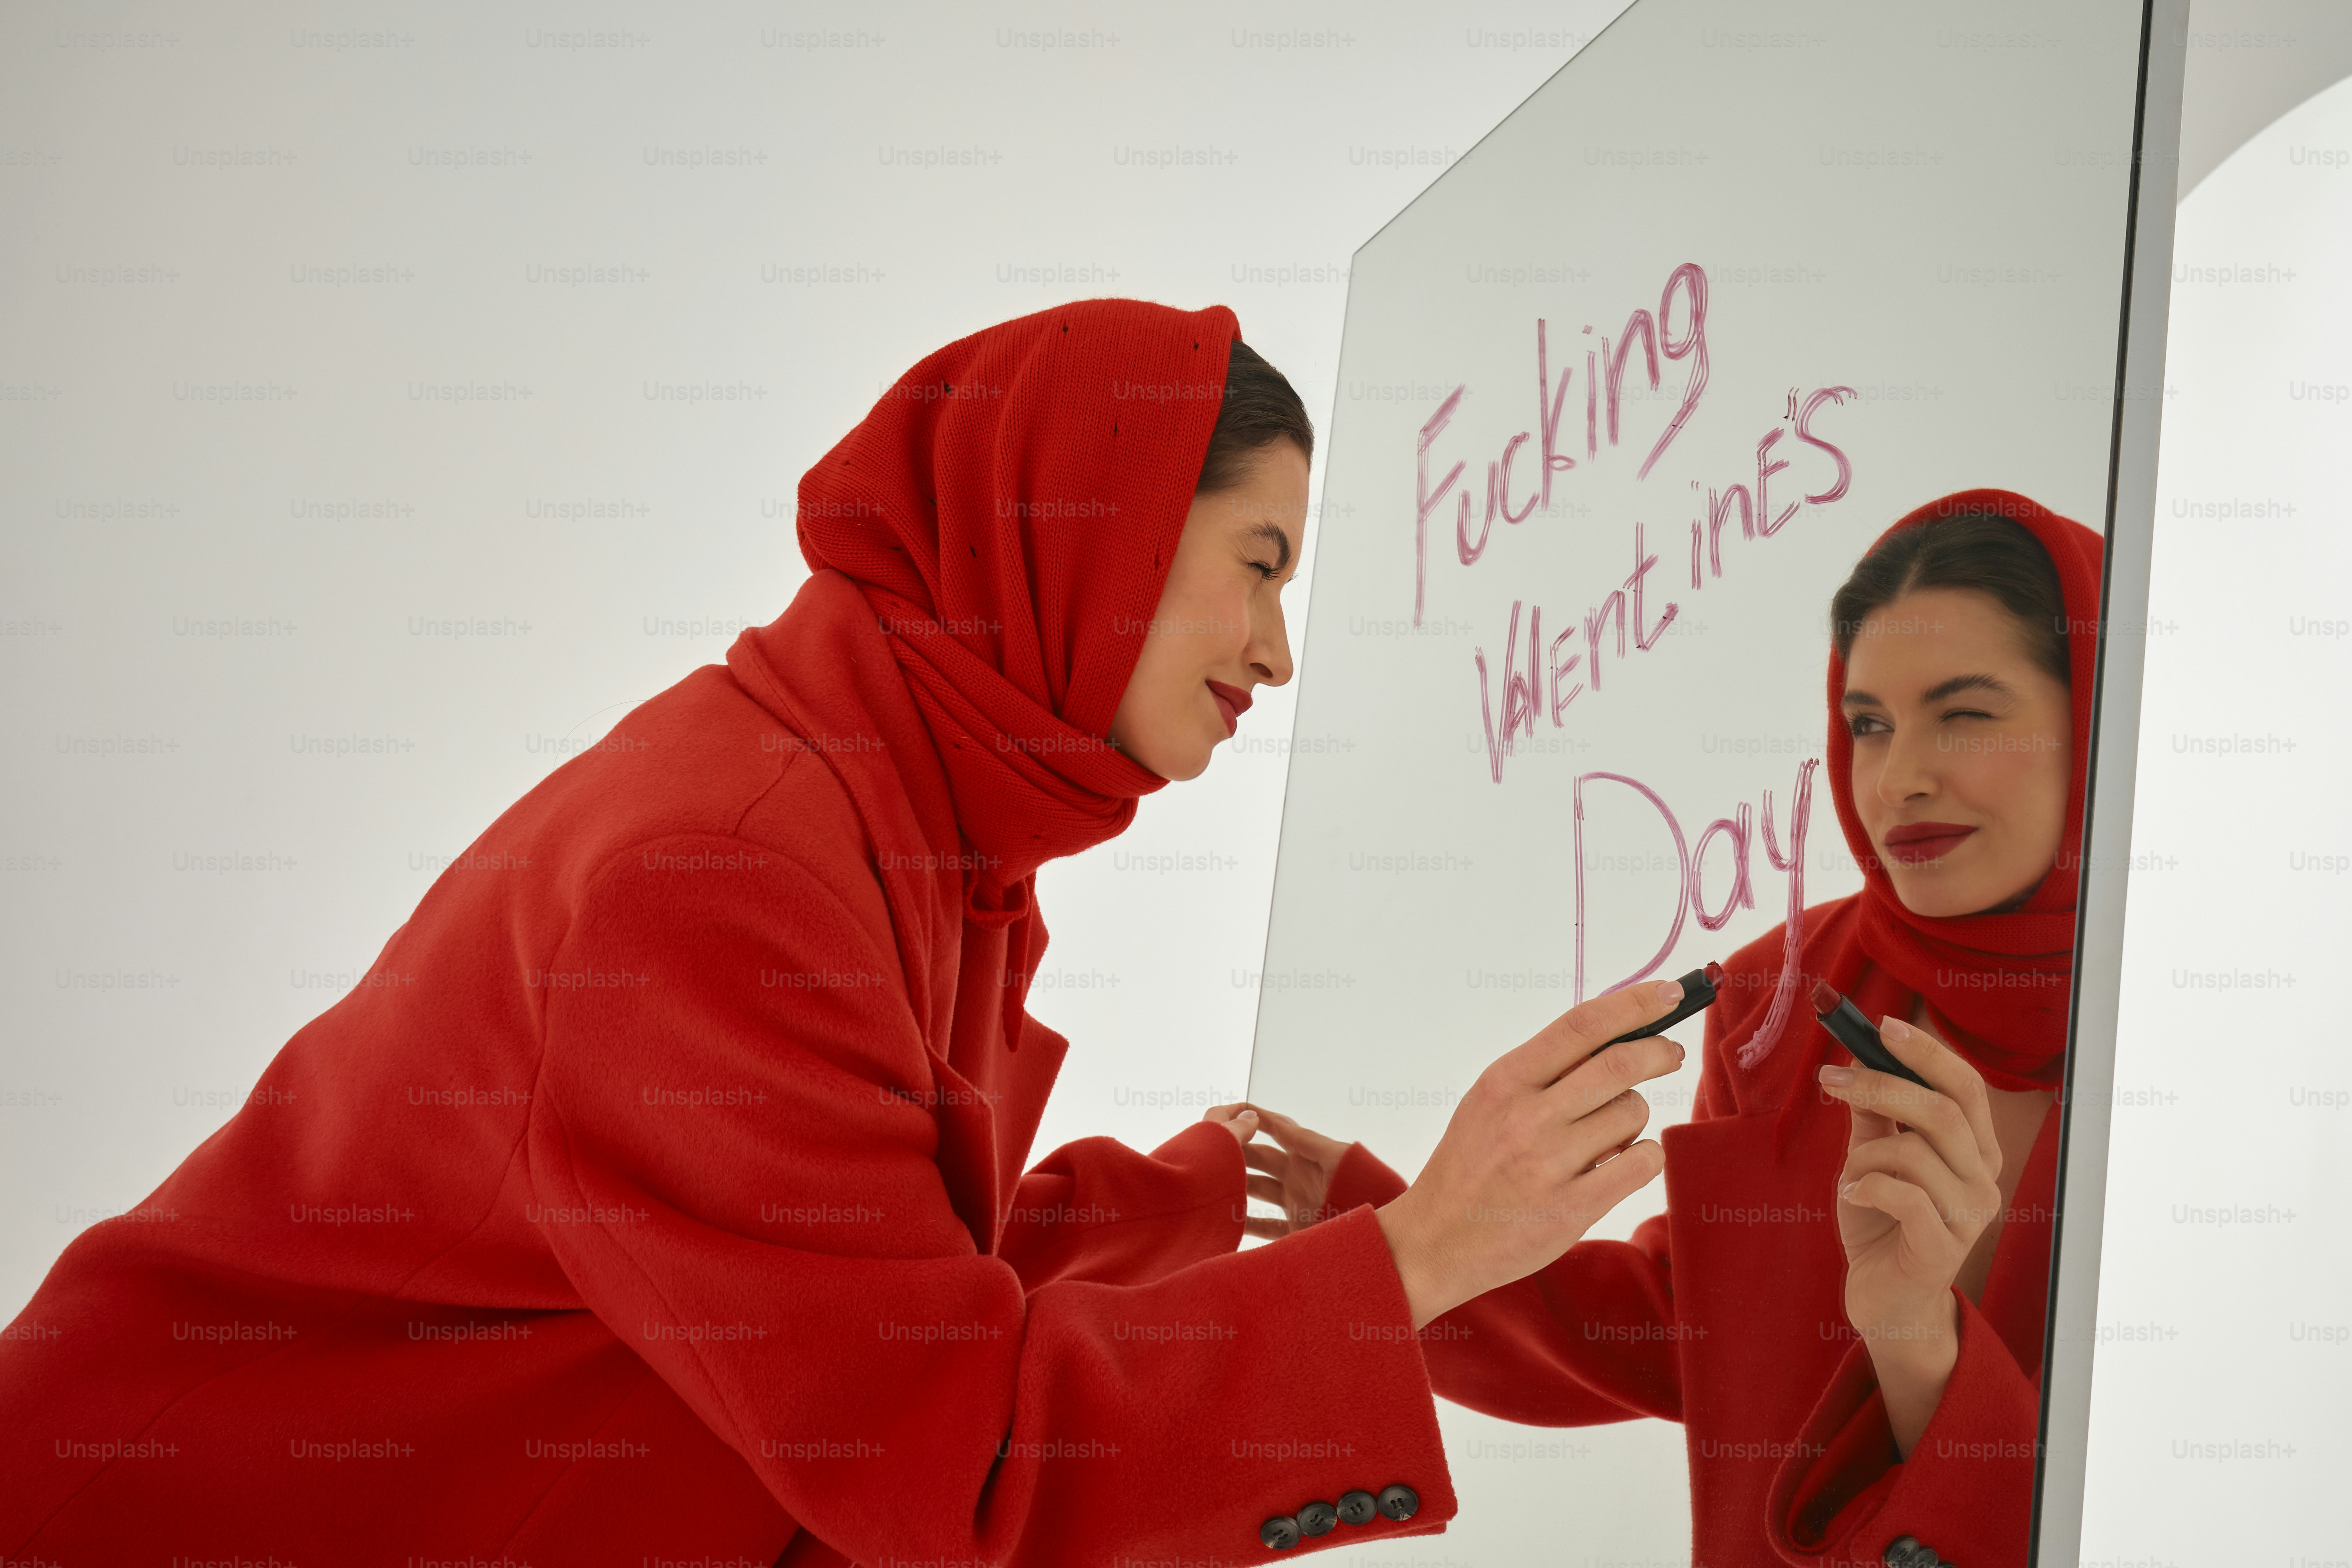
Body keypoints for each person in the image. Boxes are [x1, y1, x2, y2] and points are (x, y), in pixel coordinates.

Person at [0, 299, 1691, 1567]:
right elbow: (947, 1454)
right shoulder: (733, 870)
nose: (1275, 649)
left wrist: (1178, 1198)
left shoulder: (900, 817)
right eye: (1259, 562)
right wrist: (1426, 1254)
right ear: (1082, 514)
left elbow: (833, 1279)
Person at [1262, 489, 2097, 1568]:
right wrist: (1390, 1246)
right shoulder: (1778, 998)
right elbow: (1691, 1329)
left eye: (1967, 713)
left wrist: (1922, 1344)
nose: (1900, 779)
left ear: (2097, 717)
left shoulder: (2219, 1033)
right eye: (1869, 725)